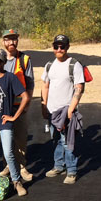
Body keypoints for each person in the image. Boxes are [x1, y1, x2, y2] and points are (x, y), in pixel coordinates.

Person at [0, 49, 30, 197]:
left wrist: (13, 117)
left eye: (0, 60)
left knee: (8, 152)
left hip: (4, 123)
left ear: (4, 62)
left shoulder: (10, 78)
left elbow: (25, 97)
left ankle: (16, 181)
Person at [41, 35, 85, 185]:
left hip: (66, 110)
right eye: (56, 46)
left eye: (62, 46)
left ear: (67, 47)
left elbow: (79, 87)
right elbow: (45, 85)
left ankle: (71, 171)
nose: (59, 49)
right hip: (52, 110)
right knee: (55, 140)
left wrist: (71, 109)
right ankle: (58, 166)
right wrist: (43, 104)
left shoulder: (74, 65)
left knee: (67, 142)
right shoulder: (49, 65)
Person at [0, 29, 35, 182]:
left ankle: (22, 166)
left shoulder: (25, 59)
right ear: (3, 42)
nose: (11, 42)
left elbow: (30, 83)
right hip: (2, 107)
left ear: (17, 41)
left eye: (14, 39)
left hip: (19, 106)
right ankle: (8, 165)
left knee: (20, 138)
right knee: (6, 139)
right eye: (8, 39)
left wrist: (27, 104)